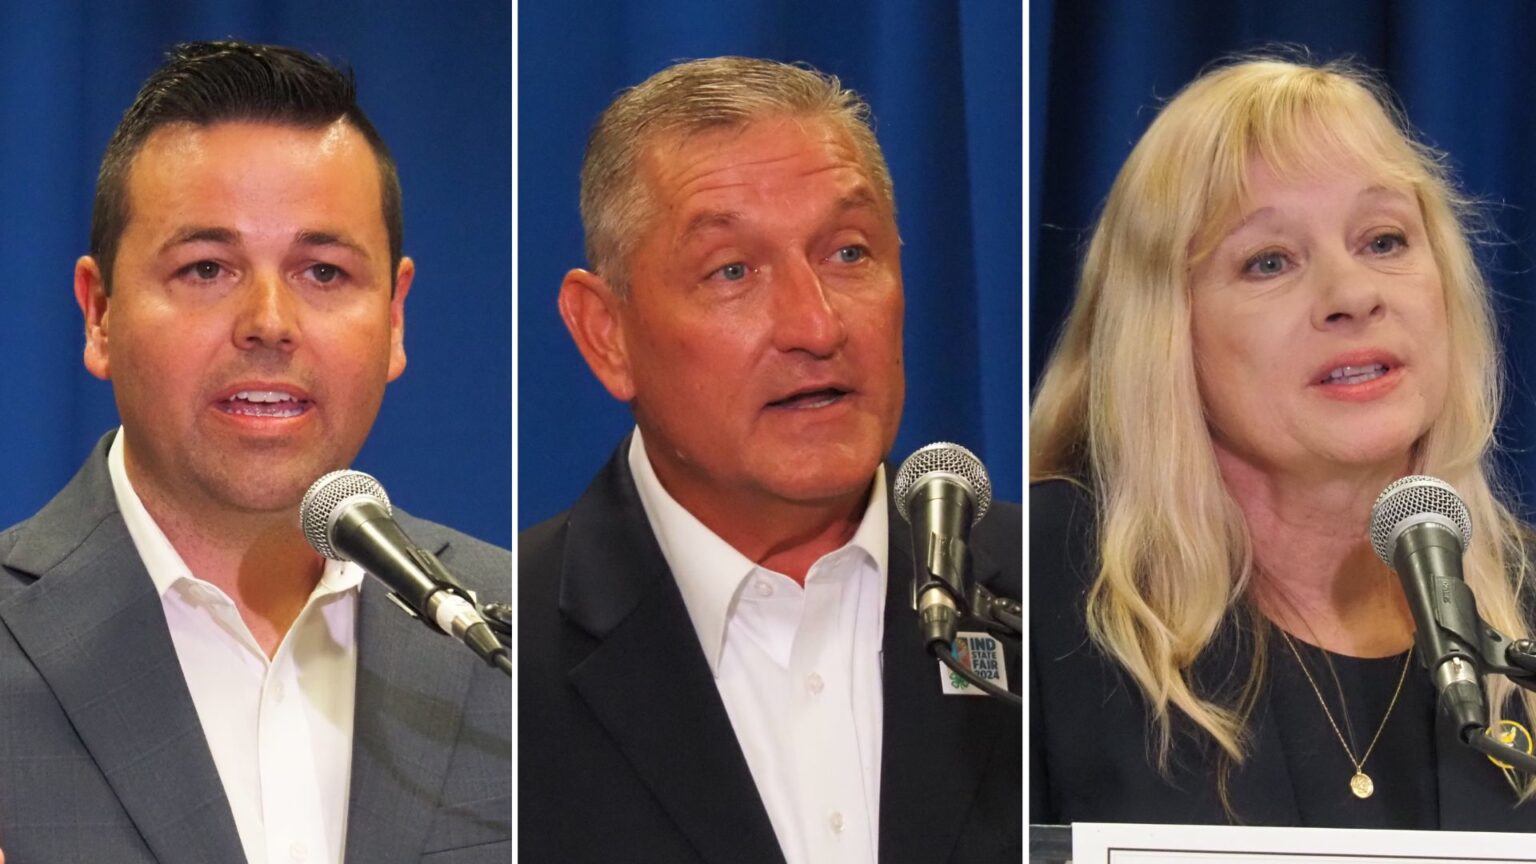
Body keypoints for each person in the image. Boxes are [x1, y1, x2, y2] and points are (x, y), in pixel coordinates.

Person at [0, 41, 509, 862]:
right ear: (99, 314)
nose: (269, 321)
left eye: (324, 273)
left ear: (394, 317)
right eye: (207, 268)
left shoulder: (517, 651)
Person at [519, 56, 1021, 863]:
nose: (815, 325)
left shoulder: (1068, 603)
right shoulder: (501, 656)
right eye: (732, 271)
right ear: (606, 333)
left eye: (848, 254)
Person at [1030, 55, 1536, 830]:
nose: (1352, 295)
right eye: (1270, 261)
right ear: (1166, 329)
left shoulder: (1525, 611)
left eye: (1385, 241)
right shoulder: (1040, 594)